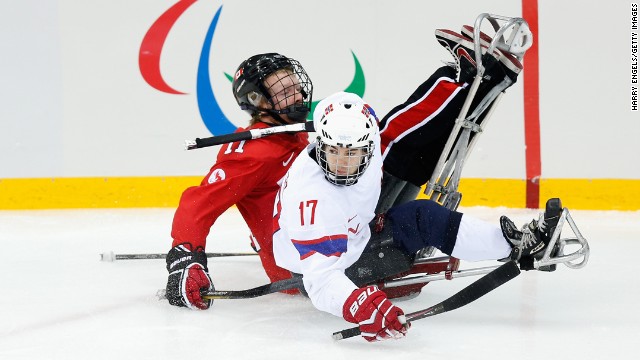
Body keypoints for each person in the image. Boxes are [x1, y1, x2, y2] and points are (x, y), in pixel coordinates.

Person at [271, 91, 560, 342]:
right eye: (333, 151)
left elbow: (348, 108)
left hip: (351, 233)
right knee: (423, 218)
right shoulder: (314, 200)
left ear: (369, 144)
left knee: (418, 211)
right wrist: (359, 306)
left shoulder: (362, 143)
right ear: (321, 144)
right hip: (322, 268)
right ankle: (510, 246)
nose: (341, 163)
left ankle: (517, 244)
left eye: (352, 153)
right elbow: (320, 281)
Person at [164, 53, 313, 310]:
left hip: (325, 242)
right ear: (258, 101)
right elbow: (198, 203)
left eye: (297, 87)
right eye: (286, 91)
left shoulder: (292, 135)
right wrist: (186, 257)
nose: (298, 96)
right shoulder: (254, 153)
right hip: (299, 268)